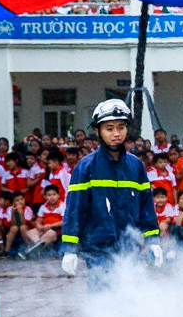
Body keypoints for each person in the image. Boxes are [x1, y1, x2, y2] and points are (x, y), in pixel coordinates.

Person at [60, 100, 163, 289]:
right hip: (98, 247)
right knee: (102, 299)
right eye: (109, 128)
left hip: (129, 246)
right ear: (98, 131)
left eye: (121, 127)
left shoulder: (136, 166)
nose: (116, 133)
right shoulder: (85, 167)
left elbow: (146, 208)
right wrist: (70, 249)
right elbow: (75, 210)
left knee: (129, 297)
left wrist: (153, 241)